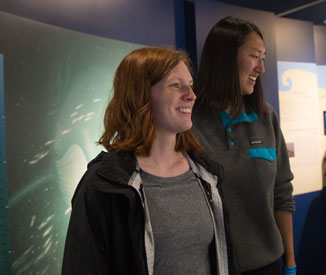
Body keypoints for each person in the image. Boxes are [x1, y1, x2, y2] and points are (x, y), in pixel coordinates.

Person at [62, 47, 237, 275]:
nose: (191, 95)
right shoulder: (103, 184)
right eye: (176, 85)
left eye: (190, 84)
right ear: (140, 94)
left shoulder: (208, 175)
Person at [192, 16, 296, 275]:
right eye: (255, 56)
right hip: (209, 267)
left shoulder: (266, 116)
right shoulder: (188, 123)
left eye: (264, 58)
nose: (261, 68)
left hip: (266, 265)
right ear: (225, 58)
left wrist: (291, 265)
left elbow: (282, 195)